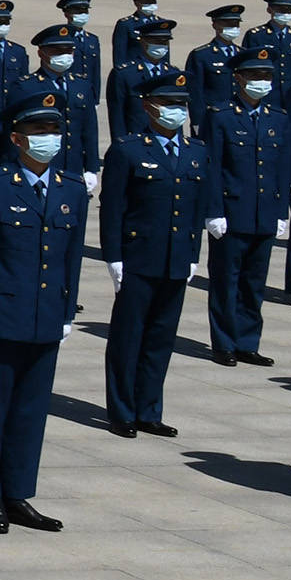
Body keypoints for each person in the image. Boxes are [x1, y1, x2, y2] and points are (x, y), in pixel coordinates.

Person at [0, 98, 86, 536]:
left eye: (55, 130)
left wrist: (67, 312)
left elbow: (71, 258)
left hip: (46, 314)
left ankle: (18, 492)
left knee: (31, 411)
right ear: (16, 139)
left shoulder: (69, 188)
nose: (50, 139)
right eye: (39, 132)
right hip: (2, 313)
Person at [99, 77, 215, 439]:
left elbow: (196, 209)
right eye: (168, 103)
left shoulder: (196, 151)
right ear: (148, 106)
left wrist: (194, 254)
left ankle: (149, 409)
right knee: (128, 337)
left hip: (176, 259)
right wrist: (114, 257)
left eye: (182, 104)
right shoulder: (129, 150)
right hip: (139, 258)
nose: (177, 111)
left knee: (161, 339)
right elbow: (113, 208)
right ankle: (122, 411)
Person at [208, 42, 291, 365]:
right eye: (256, 75)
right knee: (226, 281)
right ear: (240, 78)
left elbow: (281, 167)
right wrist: (213, 212)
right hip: (232, 213)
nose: (263, 81)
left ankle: (248, 341)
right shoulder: (221, 116)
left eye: (267, 75)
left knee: (254, 282)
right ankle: (224, 343)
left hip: (264, 213)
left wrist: (282, 210)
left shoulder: (278, 118)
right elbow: (214, 168)